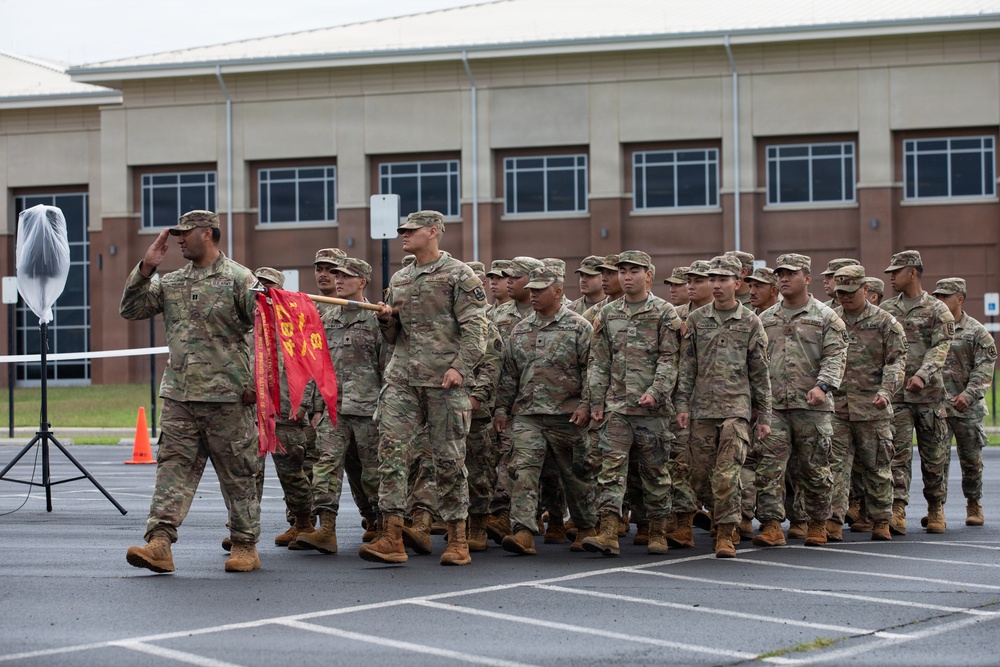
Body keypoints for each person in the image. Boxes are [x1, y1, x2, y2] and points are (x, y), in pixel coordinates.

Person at [121, 210, 261, 573]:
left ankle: (245, 545)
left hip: (228, 396)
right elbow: (131, 309)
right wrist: (146, 268)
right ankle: (160, 543)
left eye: (186, 233)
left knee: (238, 473)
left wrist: (257, 383)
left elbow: (267, 330)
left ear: (208, 234)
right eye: (178, 234)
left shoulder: (240, 279)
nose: (179, 240)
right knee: (172, 470)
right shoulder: (172, 282)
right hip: (180, 395)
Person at [360, 210, 487, 566]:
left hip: (443, 381)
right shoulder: (400, 278)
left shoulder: (458, 275)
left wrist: (460, 368)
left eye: (410, 230)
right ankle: (391, 536)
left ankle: (457, 538)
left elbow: (478, 329)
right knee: (391, 454)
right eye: (401, 230)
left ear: (433, 232)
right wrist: (386, 320)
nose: (403, 234)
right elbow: (393, 336)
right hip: (402, 379)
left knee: (448, 460)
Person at [584, 250, 682, 556]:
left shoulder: (665, 313)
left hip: (652, 410)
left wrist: (656, 391)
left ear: (648, 276)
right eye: (622, 271)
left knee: (654, 473)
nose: (626, 276)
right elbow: (599, 362)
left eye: (633, 271)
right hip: (617, 408)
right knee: (610, 471)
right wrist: (596, 401)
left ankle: (656, 532)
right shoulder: (608, 314)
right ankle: (609, 533)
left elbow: (670, 360)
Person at [495, 265, 597, 555]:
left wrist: (587, 405)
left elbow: (593, 371)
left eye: (540, 290)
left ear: (558, 291)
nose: (534, 295)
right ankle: (523, 532)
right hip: (529, 415)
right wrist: (502, 409)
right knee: (523, 471)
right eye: (532, 290)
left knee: (576, 475)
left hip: (568, 415)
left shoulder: (579, 327)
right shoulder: (520, 329)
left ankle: (586, 527)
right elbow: (510, 375)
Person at [675, 255, 771, 558]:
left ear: (737, 283)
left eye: (723, 279)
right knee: (700, 476)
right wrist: (682, 405)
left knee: (727, 475)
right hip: (701, 410)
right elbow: (687, 366)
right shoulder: (696, 320)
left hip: (735, 411)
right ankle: (719, 517)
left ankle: (726, 533)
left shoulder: (751, 321)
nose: (716, 285)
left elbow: (760, 371)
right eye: (712, 279)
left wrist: (764, 414)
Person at [752, 253, 847, 548]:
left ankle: (818, 523)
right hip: (775, 408)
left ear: (807, 278)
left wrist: (823, 386)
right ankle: (771, 525)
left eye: (790, 274)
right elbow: (754, 362)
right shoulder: (765, 319)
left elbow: (836, 356)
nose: (783, 279)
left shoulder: (826, 317)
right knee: (769, 468)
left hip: (812, 407)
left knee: (815, 469)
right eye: (780, 274)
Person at [296, 258, 384, 554]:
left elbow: (388, 366)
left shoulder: (376, 319)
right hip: (333, 409)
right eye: (336, 276)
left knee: (372, 472)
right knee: (326, 467)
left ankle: (380, 524)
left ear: (362, 282)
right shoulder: (327, 317)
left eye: (346, 276)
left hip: (369, 409)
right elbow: (316, 363)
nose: (338, 280)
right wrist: (314, 406)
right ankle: (326, 529)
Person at [828, 266, 906, 542]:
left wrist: (887, 391)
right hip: (836, 408)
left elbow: (896, 362)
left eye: (850, 292)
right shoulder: (830, 320)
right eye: (840, 293)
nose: (844, 298)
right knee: (835, 467)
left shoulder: (886, 322)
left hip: (872, 407)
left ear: (865, 290)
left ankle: (881, 520)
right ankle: (833, 522)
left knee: (877, 467)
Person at [881, 250, 955, 534]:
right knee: (897, 454)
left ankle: (935, 507)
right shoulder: (888, 309)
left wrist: (923, 376)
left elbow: (940, 348)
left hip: (930, 397)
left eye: (895, 272)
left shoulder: (937, 310)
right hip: (898, 396)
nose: (890, 277)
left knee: (934, 456)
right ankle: (897, 508)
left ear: (912, 272)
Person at [252, 267, 316, 550]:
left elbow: (311, 366)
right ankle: (243, 529)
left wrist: (305, 404)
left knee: (292, 473)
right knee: (246, 474)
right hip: (250, 409)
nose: (262, 291)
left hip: (285, 411)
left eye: (268, 286)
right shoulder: (244, 321)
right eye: (258, 286)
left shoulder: (294, 323)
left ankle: (302, 522)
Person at [932, 277, 995, 528]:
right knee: (936, 462)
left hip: (967, 409)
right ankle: (936, 509)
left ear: (960, 299)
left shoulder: (977, 331)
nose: (939, 301)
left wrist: (967, 396)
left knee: (971, 461)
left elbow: (985, 368)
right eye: (937, 296)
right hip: (938, 407)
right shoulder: (933, 329)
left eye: (944, 297)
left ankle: (974, 503)